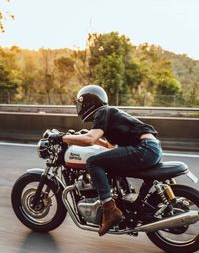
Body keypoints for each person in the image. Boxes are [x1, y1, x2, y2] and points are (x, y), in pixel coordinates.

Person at [54, 85, 162, 236]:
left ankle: (110, 209)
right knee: (109, 163)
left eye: (80, 103)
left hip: (144, 149)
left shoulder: (102, 112)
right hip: (150, 148)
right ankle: (122, 201)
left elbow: (89, 140)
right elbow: (110, 147)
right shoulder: (110, 114)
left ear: (87, 103)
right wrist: (92, 137)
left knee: (92, 162)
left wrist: (61, 137)